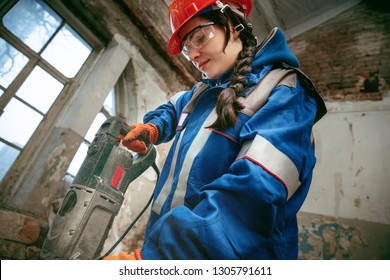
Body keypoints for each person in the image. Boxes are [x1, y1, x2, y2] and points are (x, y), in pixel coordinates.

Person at [104, 0, 327, 260]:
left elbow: (251, 197)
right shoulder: (204, 91)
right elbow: (175, 108)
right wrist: (154, 127)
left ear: (233, 25)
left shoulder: (285, 93)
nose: (194, 55)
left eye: (199, 38)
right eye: (187, 48)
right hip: (169, 244)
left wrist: (158, 259)